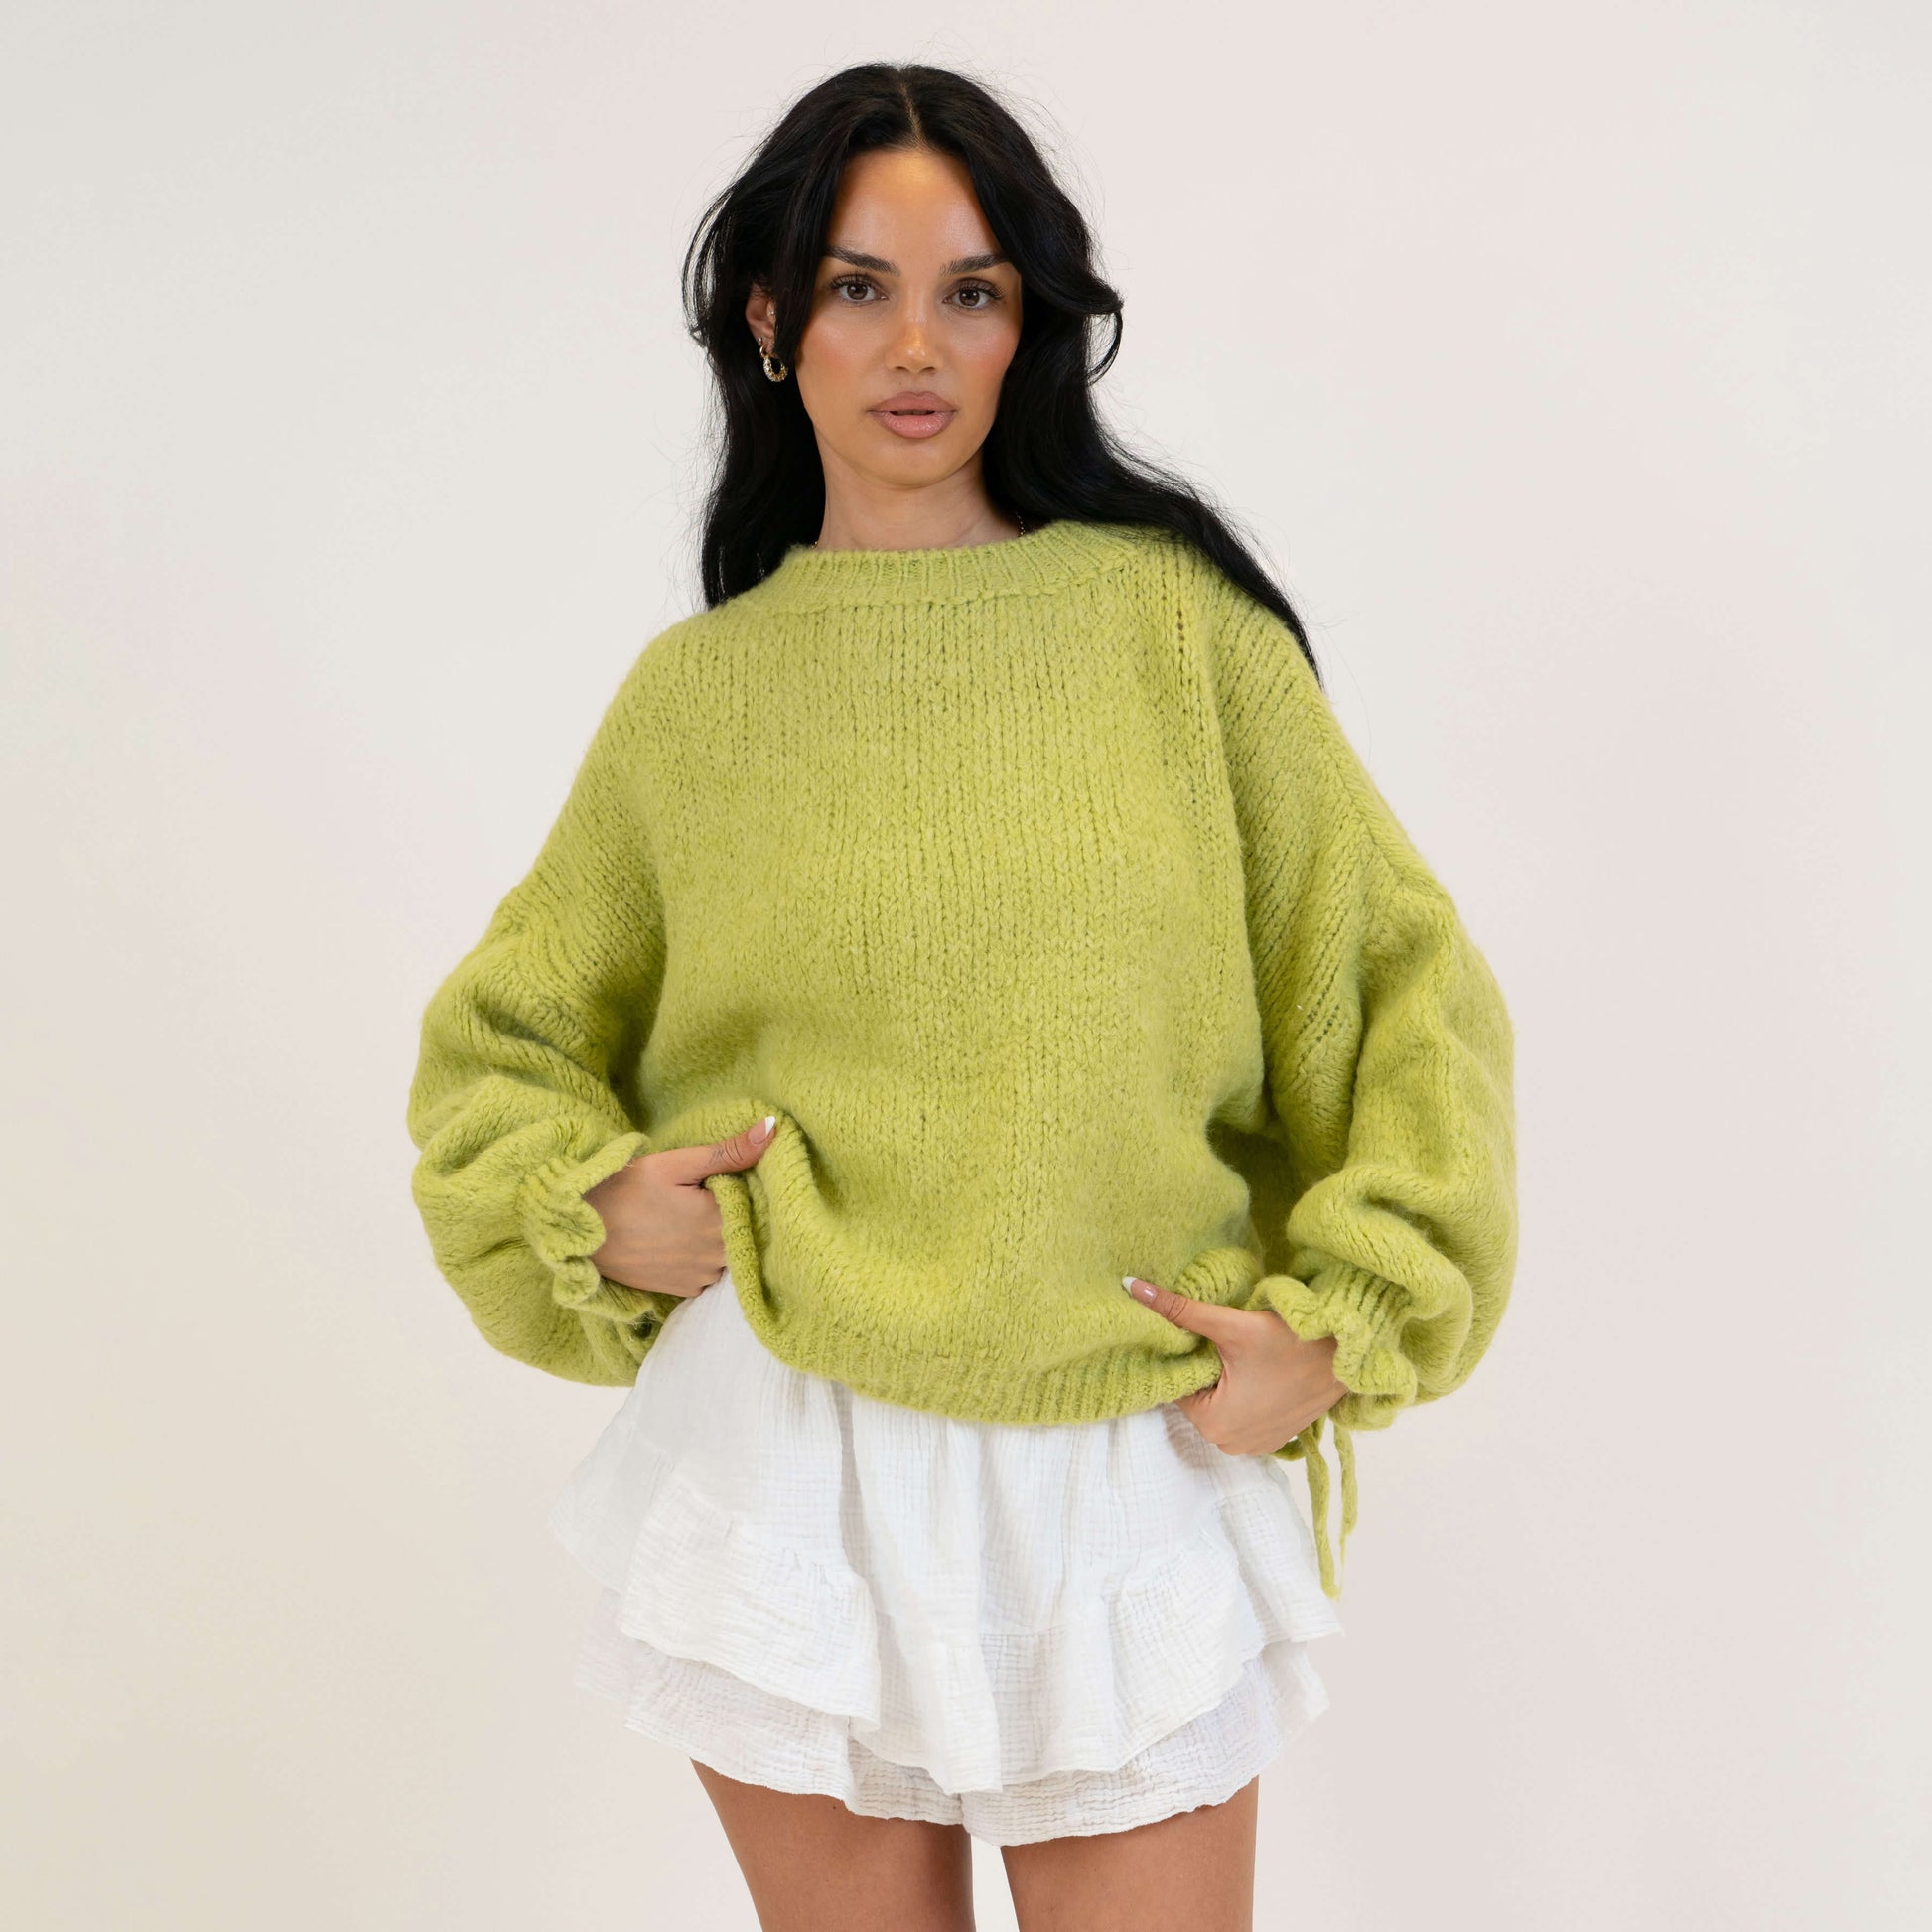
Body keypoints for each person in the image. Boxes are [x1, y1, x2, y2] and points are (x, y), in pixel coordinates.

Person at [404, 60, 1518, 1932]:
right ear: (770, 321)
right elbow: (497, 1045)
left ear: (1029, 326)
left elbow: (1402, 984)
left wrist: (1341, 1326)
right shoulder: (699, 700)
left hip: (1122, 1442)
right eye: (858, 286)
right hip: (792, 1456)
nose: (914, 345)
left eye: (970, 291)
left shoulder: (1176, 632)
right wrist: (592, 1205)